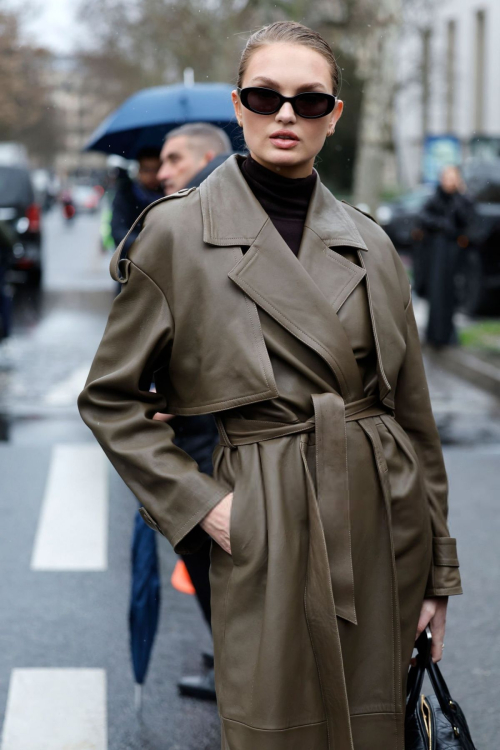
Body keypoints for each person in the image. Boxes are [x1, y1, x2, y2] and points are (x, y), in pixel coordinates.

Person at [78, 21, 462, 750]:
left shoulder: (372, 242)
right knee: (276, 729)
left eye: (309, 100)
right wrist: (206, 508)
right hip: (264, 520)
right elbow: (110, 399)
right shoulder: (175, 234)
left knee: (376, 726)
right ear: (240, 106)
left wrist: (436, 574)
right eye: (265, 96)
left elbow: (413, 416)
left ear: (333, 116)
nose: (287, 114)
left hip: (382, 525)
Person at [155, 123, 233, 701]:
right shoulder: (186, 216)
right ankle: (233, 656)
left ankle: (234, 667)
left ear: (209, 156)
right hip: (201, 423)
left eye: (173, 158)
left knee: (213, 556)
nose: (162, 171)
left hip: (212, 433)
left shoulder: (197, 221)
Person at [419, 165, 474, 347]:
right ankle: (434, 335)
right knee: (436, 292)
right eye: (446, 177)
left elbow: (467, 220)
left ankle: (448, 335)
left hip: (455, 255)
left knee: (451, 293)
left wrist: (459, 195)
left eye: (453, 178)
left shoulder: (462, 199)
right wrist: (441, 225)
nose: (449, 181)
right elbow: (423, 218)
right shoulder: (435, 198)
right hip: (436, 254)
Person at [110, 146, 163, 249]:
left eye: (156, 170)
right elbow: (118, 232)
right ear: (139, 170)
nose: (151, 175)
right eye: (146, 170)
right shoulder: (126, 195)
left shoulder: (170, 192)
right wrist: (145, 245)